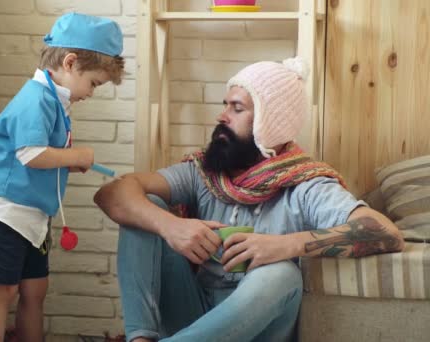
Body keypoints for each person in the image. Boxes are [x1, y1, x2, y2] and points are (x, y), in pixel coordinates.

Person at [94, 57, 404, 342]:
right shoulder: (205, 173)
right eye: (225, 105)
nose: (222, 116)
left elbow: (384, 231)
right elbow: (113, 193)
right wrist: (171, 227)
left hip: (260, 328)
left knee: (281, 272)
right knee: (143, 212)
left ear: (269, 124)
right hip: (191, 316)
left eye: (237, 108)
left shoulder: (306, 185)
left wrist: (285, 245)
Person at [0, 13, 124, 342]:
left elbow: (37, 154)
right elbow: (30, 154)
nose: (92, 93)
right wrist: (76, 156)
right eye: (93, 83)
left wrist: (66, 162)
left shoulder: (54, 101)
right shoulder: (36, 99)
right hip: (4, 213)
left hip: (31, 215)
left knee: (35, 289)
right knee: (4, 291)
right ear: (69, 63)